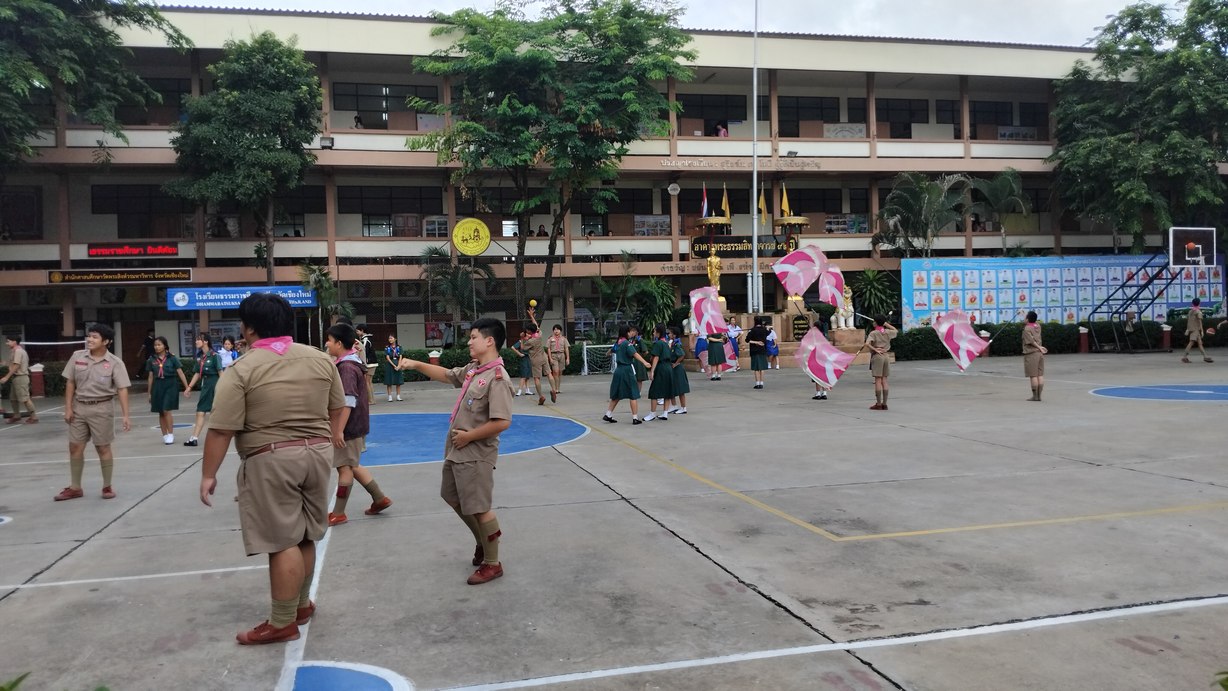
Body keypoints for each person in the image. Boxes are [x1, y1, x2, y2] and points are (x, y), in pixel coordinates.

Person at [199, 292, 346, 645]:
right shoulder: (319, 359)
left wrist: (208, 475)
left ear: (249, 328)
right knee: (306, 534)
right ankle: (300, 605)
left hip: (271, 458)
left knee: (281, 541)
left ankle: (282, 622)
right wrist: (324, 439)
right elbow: (338, 407)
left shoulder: (242, 369)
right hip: (318, 455)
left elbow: (221, 430)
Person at [398, 318, 514, 585]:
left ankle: (492, 563)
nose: (469, 342)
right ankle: (482, 541)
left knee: (480, 507)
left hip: (475, 452)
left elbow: (502, 422)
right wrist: (416, 364)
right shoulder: (475, 369)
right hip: (458, 449)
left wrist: (469, 437)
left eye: (473, 337)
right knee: (452, 497)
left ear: (489, 341)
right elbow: (447, 375)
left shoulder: (497, 377)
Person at [324, 323, 392, 526]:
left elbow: (348, 401)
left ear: (339, 343)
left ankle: (339, 512)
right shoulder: (351, 362)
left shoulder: (346, 367)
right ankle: (379, 498)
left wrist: (338, 431)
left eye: (329, 340)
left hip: (348, 427)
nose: (327, 344)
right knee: (352, 464)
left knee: (344, 468)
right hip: (355, 425)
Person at [57, 323, 131, 501]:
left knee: (103, 447)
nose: (89, 339)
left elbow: (122, 389)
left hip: (102, 408)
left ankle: (107, 486)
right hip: (79, 407)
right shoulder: (77, 356)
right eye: (89, 336)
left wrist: (125, 416)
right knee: (75, 446)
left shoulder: (115, 362)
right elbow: (70, 382)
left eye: (94, 337)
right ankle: (75, 487)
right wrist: (68, 408)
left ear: (106, 341)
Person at [603, 324, 653, 424]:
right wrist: (645, 362)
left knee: (617, 394)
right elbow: (635, 354)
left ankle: (608, 414)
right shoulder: (627, 343)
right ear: (626, 333)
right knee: (633, 393)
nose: (631, 333)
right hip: (627, 370)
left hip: (618, 370)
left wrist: (607, 354)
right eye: (630, 331)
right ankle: (635, 418)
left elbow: (611, 351)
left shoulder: (618, 342)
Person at [145, 336, 190, 444]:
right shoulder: (151, 359)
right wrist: (149, 393)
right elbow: (150, 377)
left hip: (170, 385)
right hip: (157, 385)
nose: (157, 347)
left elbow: (180, 372)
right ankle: (164, 435)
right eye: (155, 345)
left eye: (159, 345)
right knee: (160, 411)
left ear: (165, 346)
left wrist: (187, 387)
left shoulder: (172, 358)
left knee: (166, 409)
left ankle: (170, 434)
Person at [183, 333, 221, 446]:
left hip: (215, 385)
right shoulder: (200, 357)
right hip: (206, 386)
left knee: (214, 413)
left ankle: (216, 437)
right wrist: (189, 387)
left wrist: (223, 389)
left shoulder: (214, 356)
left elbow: (221, 373)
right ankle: (194, 438)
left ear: (206, 342)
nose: (196, 341)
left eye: (199, 339)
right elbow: (196, 373)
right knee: (201, 411)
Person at [3, 335, 37, 423]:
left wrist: (6, 377)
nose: (7, 343)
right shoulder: (16, 351)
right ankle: (17, 415)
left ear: (14, 342)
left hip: (21, 377)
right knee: (13, 398)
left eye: (8, 341)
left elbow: (16, 365)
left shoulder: (18, 351)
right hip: (16, 378)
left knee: (25, 398)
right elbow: (13, 365)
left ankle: (34, 417)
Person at [524, 308, 556, 405]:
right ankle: (554, 390)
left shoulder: (530, 341)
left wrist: (522, 338)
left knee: (537, 378)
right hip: (543, 356)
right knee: (549, 373)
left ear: (529, 331)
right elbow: (536, 325)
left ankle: (541, 396)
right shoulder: (539, 334)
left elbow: (523, 348)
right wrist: (531, 316)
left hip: (535, 359)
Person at [867, 315, 898, 411]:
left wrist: (875, 349)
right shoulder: (887, 332)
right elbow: (895, 330)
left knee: (878, 380)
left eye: (874, 321)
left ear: (876, 323)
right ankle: (885, 403)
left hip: (877, 356)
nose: (873, 323)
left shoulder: (873, 333)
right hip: (886, 355)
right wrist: (886, 324)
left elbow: (867, 344)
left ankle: (879, 403)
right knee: (884, 379)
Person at [644, 324, 673, 421]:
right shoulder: (666, 343)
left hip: (661, 367)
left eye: (654, 331)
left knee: (654, 391)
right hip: (668, 368)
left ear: (658, 332)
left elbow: (656, 357)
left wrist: (652, 371)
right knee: (667, 391)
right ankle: (665, 413)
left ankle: (652, 413)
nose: (653, 333)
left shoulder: (658, 343)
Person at [1023, 310, 1048, 401]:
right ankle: (1039, 396)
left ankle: (1035, 396)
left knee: (1033, 376)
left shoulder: (1027, 329)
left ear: (1027, 319)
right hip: (1039, 354)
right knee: (1040, 375)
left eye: (1025, 317)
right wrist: (1024, 313)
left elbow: (1031, 341)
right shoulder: (1038, 326)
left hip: (1031, 353)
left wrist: (1039, 347)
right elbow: (1032, 320)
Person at [666, 326, 690, 415]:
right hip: (672, 367)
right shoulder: (671, 343)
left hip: (677, 368)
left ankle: (683, 407)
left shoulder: (677, 344)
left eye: (670, 333)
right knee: (672, 387)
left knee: (680, 389)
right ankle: (674, 405)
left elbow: (682, 355)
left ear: (674, 335)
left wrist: (676, 363)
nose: (668, 335)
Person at [1182, 297, 1213, 364]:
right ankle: (1184, 357)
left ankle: (1205, 357)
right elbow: (1200, 322)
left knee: (1200, 344)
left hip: (1192, 329)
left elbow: (1189, 321)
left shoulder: (1190, 311)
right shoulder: (1198, 311)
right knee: (1191, 343)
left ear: (1192, 303)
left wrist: (1187, 329)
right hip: (1196, 329)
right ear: (1199, 303)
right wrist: (1202, 331)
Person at [355, 324, 377, 404]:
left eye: (357, 331)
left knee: (367, 382)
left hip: (369, 363)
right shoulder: (369, 338)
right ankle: (372, 399)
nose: (357, 333)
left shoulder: (365, 340)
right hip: (373, 362)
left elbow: (363, 351)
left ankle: (370, 400)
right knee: (369, 382)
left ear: (362, 330)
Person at [746, 318, 769, 389]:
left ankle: (757, 383)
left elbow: (747, 340)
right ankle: (761, 383)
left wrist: (756, 342)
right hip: (762, 350)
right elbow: (768, 332)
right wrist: (767, 328)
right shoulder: (764, 330)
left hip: (755, 351)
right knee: (762, 368)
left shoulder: (752, 330)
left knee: (756, 368)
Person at [547, 324, 570, 395]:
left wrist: (567, 358)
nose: (556, 331)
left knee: (560, 372)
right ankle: (555, 388)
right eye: (555, 329)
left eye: (558, 329)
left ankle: (558, 388)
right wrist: (550, 358)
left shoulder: (564, 339)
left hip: (562, 355)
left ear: (560, 331)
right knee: (555, 371)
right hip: (554, 355)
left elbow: (566, 348)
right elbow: (548, 349)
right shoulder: (550, 339)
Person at [511, 330, 532, 396]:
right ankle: (519, 391)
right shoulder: (521, 341)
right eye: (528, 334)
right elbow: (513, 347)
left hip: (529, 358)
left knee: (528, 376)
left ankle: (527, 390)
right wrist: (519, 354)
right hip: (524, 359)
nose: (529, 335)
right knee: (524, 375)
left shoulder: (530, 341)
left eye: (529, 334)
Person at [383, 334, 404, 401]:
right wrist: (394, 366)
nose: (390, 340)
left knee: (398, 381)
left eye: (391, 338)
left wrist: (399, 365)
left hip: (397, 363)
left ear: (395, 339)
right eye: (389, 338)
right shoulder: (387, 348)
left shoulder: (399, 347)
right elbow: (387, 357)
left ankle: (398, 396)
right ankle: (390, 396)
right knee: (389, 381)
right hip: (390, 365)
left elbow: (400, 357)